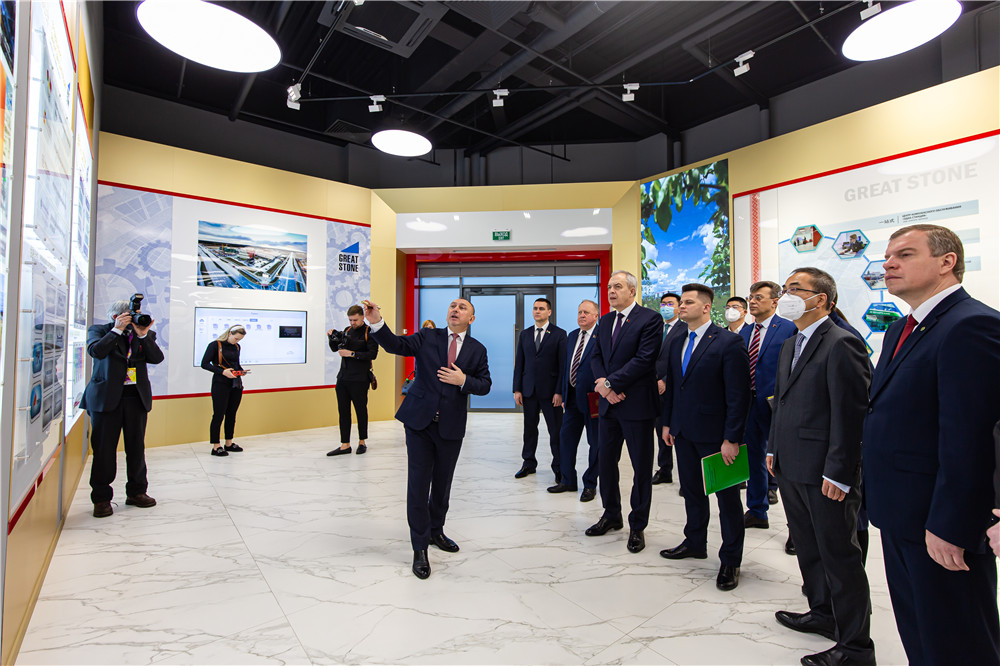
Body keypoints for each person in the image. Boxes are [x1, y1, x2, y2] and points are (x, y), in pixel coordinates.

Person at [864, 224, 1000, 665]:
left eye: (904, 255)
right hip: (899, 513)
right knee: (921, 638)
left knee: (958, 645)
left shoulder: (971, 324)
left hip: (938, 524)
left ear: (947, 262)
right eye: (888, 256)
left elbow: (972, 436)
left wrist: (952, 524)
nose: (888, 264)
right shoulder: (899, 329)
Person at [767, 267, 875, 666]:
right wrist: (773, 448)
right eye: (785, 288)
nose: (786, 295)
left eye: (795, 289)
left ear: (822, 299)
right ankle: (822, 612)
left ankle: (856, 646)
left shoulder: (842, 342)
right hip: (790, 463)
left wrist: (839, 472)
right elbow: (783, 402)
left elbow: (852, 414)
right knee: (808, 547)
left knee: (839, 556)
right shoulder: (791, 343)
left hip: (825, 471)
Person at [364, 298, 491, 579]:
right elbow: (396, 345)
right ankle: (419, 547)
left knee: (442, 485)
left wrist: (463, 381)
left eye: (462, 308)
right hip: (419, 424)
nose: (455, 309)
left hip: (451, 427)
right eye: (452, 306)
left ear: (471, 319)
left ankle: (436, 531)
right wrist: (377, 323)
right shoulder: (428, 336)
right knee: (419, 485)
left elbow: (485, 385)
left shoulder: (477, 349)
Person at [660, 283, 750, 591]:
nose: (681, 307)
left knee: (727, 500)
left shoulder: (728, 342)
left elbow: (738, 395)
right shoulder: (677, 341)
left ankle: (731, 559)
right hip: (684, 432)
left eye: (688, 302)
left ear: (706, 307)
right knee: (692, 492)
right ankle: (695, 542)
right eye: (681, 303)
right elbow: (674, 388)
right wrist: (668, 424)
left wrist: (732, 438)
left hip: (717, 437)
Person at [585, 270, 662, 554]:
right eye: (609, 287)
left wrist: (610, 383)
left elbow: (644, 359)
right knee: (606, 462)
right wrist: (605, 386)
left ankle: (637, 525)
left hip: (637, 405)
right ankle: (611, 514)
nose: (611, 291)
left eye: (617, 286)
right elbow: (595, 355)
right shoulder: (605, 321)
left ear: (632, 290)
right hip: (609, 405)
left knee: (641, 467)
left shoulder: (650, 319)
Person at [81, 298, 165, 518]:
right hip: (106, 399)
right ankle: (101, 499)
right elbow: (96, 352)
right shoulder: (99, 331)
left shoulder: (143, 334)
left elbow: (157, 358)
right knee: (104, 450)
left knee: (136, 448)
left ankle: (137, 492)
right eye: (128, 316)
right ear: (115, 317)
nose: (133, 320)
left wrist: (142, 335)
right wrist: (117, 330)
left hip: (135, 399)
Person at [740, 281, 797, 527]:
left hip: (778, 405)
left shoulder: (788, 329)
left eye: (759, 297)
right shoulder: (745, 333)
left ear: (775, 301)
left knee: (785, 464)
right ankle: (757, 510)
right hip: (750, 405)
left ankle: (795, 525)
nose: (752, 301)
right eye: (751, 297)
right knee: (753, 458)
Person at [548, 300, 599, 501]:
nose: (582, 315)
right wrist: (561, 392)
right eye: (579, 312)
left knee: (595, 443)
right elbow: (566, 366)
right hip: (571, 398)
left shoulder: (602, 336)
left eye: (586, 312)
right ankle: (568, 480)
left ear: (596, 315)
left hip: (593, 398)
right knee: (566, 439)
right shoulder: (572, 336)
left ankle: (590, 484)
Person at [513, 298, 566, 481]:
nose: (537, 311)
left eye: (541, 308)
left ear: (549, 312)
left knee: (556, 431)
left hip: (551, 393)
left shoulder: (559, 334)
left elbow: (563, 366)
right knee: (529, 429)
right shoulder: (525, 334)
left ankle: (559, 466)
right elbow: (519, 363)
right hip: (528, 391)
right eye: (535, 308)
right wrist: (517, 389)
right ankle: (528, 463)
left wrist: (559, 391)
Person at [327, 305, 379, 456]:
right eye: (350, 320)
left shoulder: (370, 332)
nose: (352, 323)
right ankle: (345, 444)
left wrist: (352, 354)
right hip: (343, 378)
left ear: (362, 317)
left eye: (355, 320)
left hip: (360, 379)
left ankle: (362, 442)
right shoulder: (347, 330)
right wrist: (331, 338)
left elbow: (372, 354)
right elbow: (335, 348)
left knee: (361, 411)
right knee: (343, 412)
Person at [653, 292, 687, 487]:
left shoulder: (685, 329)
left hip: (675, 387)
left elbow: (684, 360)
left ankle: (686, 478)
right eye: (663, 304)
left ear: (678, 307)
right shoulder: (655, 329)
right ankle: (664, 469)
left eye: (670, 304)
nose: (666, 307)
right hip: (654, 389)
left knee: (679, 433)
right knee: (660, 430)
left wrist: (665, 380)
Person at [200, 324, 247, 456]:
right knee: (218, 415)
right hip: (220, 383)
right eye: (236, 338)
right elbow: (204, 364)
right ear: (230, 334)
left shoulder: (237, 347)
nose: (237, 341)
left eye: (239, 340)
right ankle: (216, 446)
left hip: (236, 384)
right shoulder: (215, 345)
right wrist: (222, 372)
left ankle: (229, 443)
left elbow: (235, 364)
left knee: (231, 414)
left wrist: (241, 371)